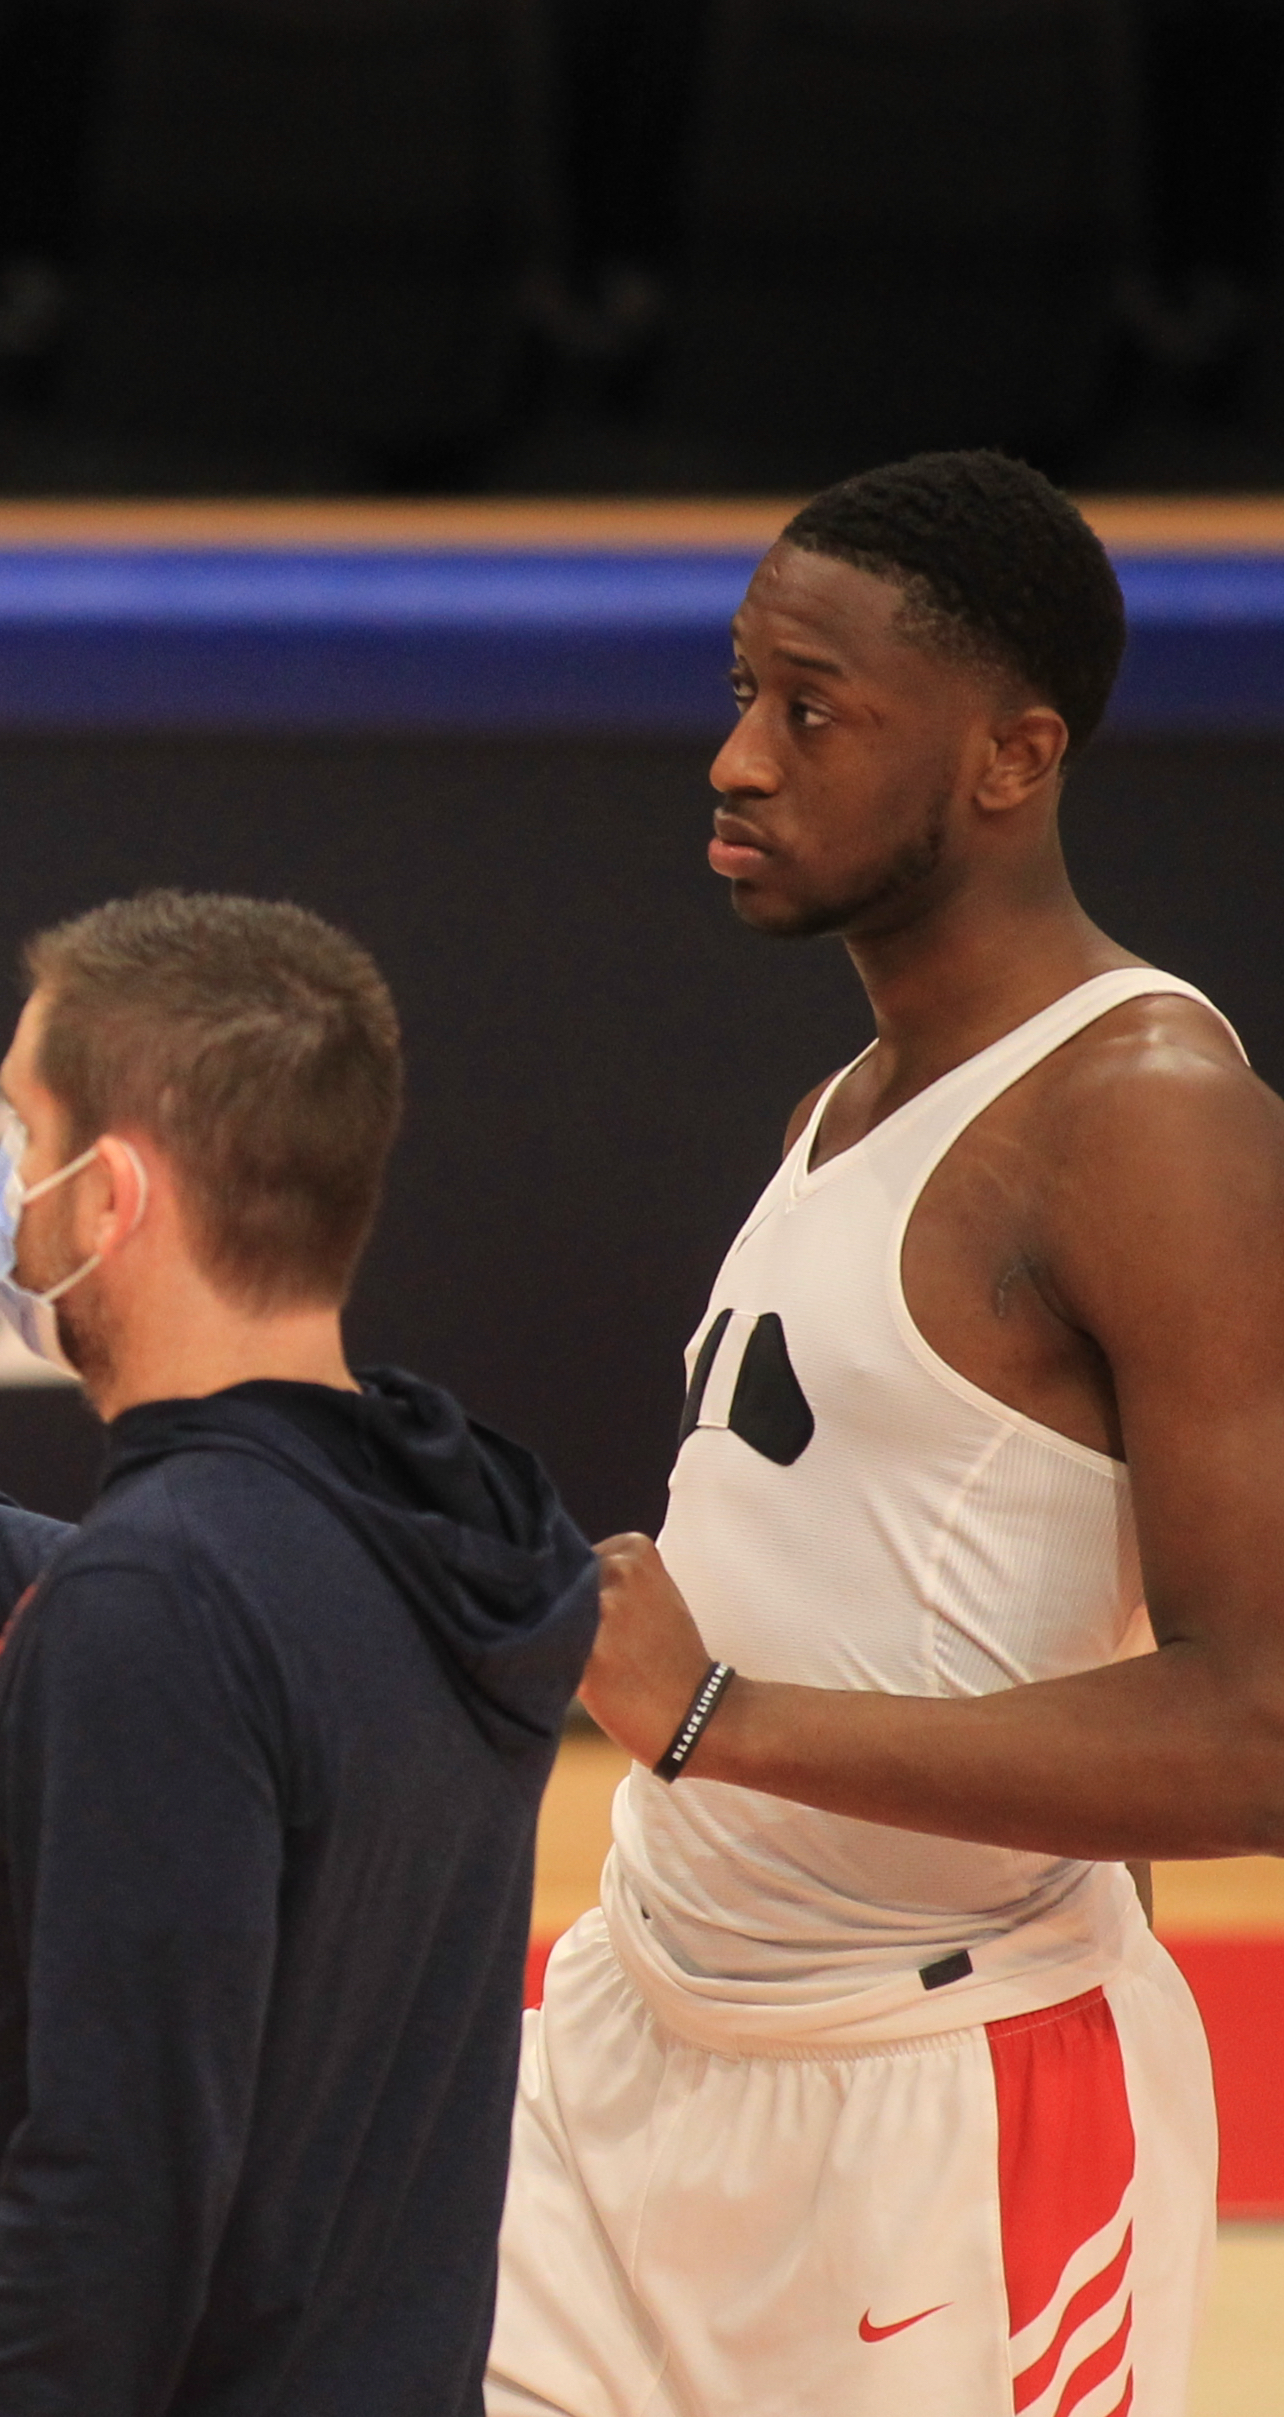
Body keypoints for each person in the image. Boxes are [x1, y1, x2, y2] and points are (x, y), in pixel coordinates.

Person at [493, 452, 1255, 2415]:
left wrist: (714, 1713)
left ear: (1009, 758)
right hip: (634, 2030)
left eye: (809, 710)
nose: (738, 759)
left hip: (941, 2118)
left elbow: (1264, 1729)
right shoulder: (851, 1094)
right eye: (742, 694)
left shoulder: (1148, 1119)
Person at [0, 891, 598, 2416]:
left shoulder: (162, 1608)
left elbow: (107, 2205)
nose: (2, 1183)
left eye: (20, 1124)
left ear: (111, 1194)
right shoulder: (446, 1525)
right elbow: (278, 1661)